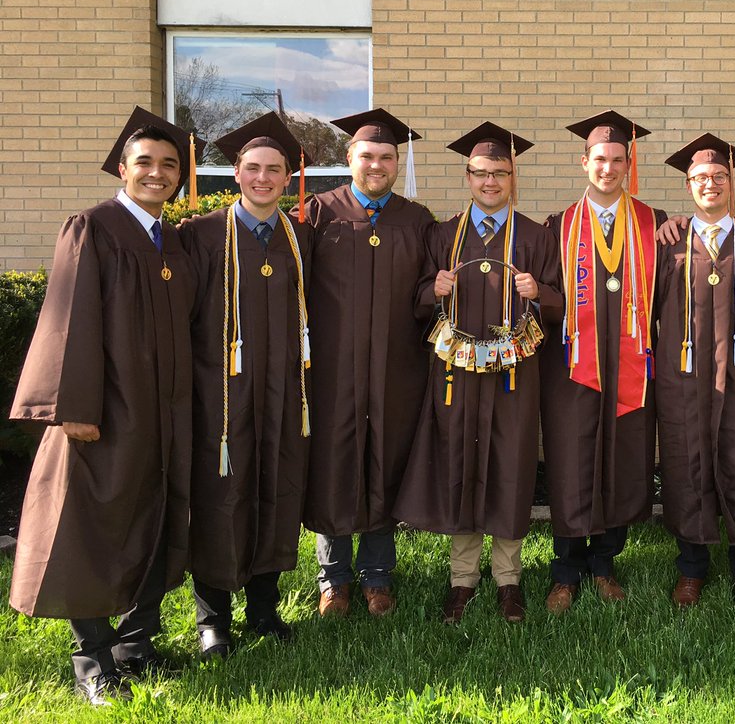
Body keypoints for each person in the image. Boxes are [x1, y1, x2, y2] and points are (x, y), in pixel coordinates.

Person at [8, 109, 200, 705]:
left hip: (165, 410)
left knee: (156, 515)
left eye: (170, 165)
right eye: (145, 162)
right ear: (123, 167)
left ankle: (135, 644)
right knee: (89, 524)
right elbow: (68, 322)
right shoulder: (92, 227)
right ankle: (92, 658)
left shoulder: (173, 239)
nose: (158, 173)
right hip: (105, 411)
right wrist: (73, 407)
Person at [397, 122, 561, 625]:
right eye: (480, 173)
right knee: (460, 466)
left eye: (500, 173)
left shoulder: (536, 235)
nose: (490, 182)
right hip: (458, 377)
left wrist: (541, 294)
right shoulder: (443, 234)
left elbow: (563, 303)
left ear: (514, 176)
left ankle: (509, 579)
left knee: (511, 469)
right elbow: (416, 300)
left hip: (514, 377)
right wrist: (434, 290)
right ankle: (462, 579)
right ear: (467, 175)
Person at [179, 113, 313, 657]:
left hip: (283, 391)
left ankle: (264, 607)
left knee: (276, 490)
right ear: (236, 173)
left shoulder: (300, 238)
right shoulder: (200, 235)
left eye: (274, 170)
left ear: (287, 178)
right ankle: (213, 618)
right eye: (253, 168)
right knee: (221, 495)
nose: (263, 178)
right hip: (222, 397)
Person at [295, 108, 435, 618]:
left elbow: (427, 291)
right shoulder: (317, 213)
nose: (377, 165)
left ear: (398, 164)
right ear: (348, 157)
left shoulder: (416, 220)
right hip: (333, 370)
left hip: (396, 368)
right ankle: (333, 579)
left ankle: (377, 577)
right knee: (335, 463)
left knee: (382, 461)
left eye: (387, 158)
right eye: (367, 156)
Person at [540, 110, 666, 613]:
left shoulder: (655, 226)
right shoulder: (558, 227)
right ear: (583, 163)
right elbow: (547, 294)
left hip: (632, 362)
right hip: (574, 365)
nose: (608, 168)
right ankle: (565, 569)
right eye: (599, 159)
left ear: (629, 163)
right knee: (573, 460)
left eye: (617, 160)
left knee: (621, 456)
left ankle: (605, 563)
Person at [656, 134, 735, 610]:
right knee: (688, 466)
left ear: (731, 182)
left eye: (719, 176)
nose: (710, 184)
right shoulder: (667, 243)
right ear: (688, 186)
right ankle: (692, 569)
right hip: (682, 377)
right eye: (701, 178)